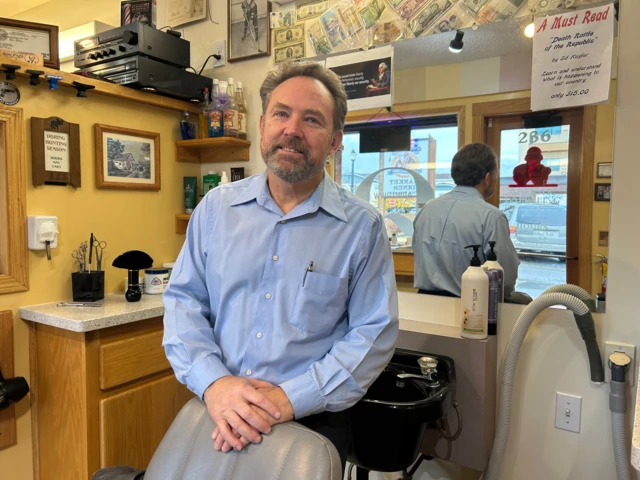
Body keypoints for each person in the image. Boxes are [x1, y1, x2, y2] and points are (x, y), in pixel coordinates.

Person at [163, 61, 399, 474]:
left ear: (336, 141)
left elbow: (373, 334)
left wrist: (289, 398)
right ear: (261, 124)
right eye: (281, 113)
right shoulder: (216, 209)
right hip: (219, 407)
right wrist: (215, 383)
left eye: (312, 120)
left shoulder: (363, 228)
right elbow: (184, 301)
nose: (292, 129)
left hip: (311, 420)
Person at [412, 143, 520, 298]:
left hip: (423, 302)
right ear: (488, 178)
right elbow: (505, 277)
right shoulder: (491, 216)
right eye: (496, 174)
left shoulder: (427, 210)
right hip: (472, 306)